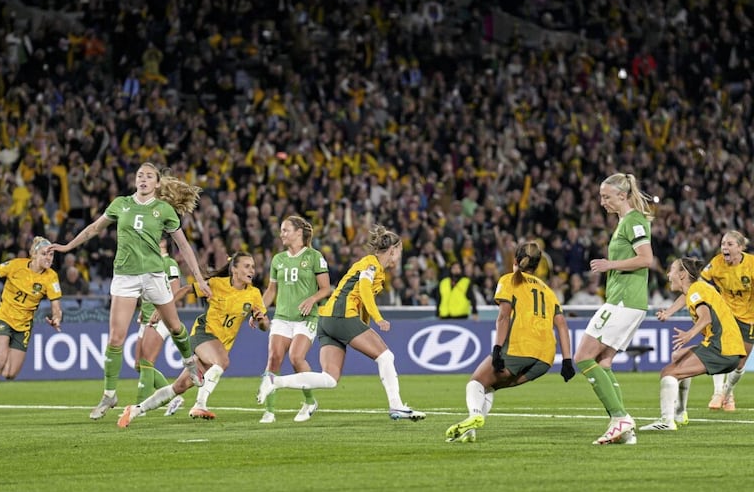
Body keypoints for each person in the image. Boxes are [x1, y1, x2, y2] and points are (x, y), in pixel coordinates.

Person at [48, 162, 211, 420]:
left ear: (157, 184)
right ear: (135, 181)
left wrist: (199, 279)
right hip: (125, 276)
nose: (143, 179)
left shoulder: (164, 210)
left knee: (176, 327)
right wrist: (68, 247)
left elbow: (184, 247)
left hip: (154, 276)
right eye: (139, 175)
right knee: (115, 338)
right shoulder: (120, 204)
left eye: (149, 176)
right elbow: (94, 228)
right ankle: (109, 394)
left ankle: (190, 364)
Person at [256, 225, 426, 421]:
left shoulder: (372, 266)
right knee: (386, 357)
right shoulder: (372, 265)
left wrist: (363, 323)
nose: (399, 256)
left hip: (327, 320)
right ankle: (396, 406)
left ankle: (274, 381)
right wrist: (378, 318)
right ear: (393, 249)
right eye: (400, 251)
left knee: (329, 378)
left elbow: (359, 297)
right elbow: (362, 288)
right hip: (341, 315)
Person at [117, 252, 269, 427]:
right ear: (234, 269)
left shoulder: (254, 294)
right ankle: (199, 405)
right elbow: (185, 289)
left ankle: (135, 410)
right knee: (222, 361)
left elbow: (265, 326)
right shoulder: (216, 284)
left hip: (220, 345)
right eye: (247, 266)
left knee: (179, 387)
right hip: (203, 334)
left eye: (253, 266)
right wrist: (163, 309)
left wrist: (261, 320)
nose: (252, 270)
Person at [445, 242, 575, 443]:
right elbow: (562, 325)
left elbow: (504, 317)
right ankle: (469, 432)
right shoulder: (548, 291)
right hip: (545, 359)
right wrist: (567, 361)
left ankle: (474, 416)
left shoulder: (509, 280)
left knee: (476, 382)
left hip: (520, 347)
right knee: (490, 386)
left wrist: (497, 349)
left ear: (515, 260)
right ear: (538, 265)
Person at [574, 173, 654, 445]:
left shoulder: (634, 221)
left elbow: (646, 258)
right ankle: (624, 430)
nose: (601, 201)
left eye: (606, 196)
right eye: (600, 196)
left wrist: (610, 265)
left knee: (583, 357)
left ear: (622, 196)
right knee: (602, 361)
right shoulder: (625, 222)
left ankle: (620, 418)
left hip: (624, 301)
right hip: (626, 301)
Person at [0, 237, 63, 420]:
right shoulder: (16, 265)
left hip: (23, 327)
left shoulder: (51, 277)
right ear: (34, 254)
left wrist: (56, 318)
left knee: (9, 373)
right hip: (3, 319)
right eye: (45, 253)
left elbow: (56, 306)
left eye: (52, 254)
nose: (49, 257)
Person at [641, 257, 746, 431]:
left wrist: (689, 334)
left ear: (682, 274)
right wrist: (668, 313)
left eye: (672, 270)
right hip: (728, 347)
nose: (668, 275)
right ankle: (680, 413)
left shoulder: (697, 290)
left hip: (721, 348)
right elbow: (686, 297)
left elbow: (705, 318)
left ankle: (666, 422)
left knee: (668, 372)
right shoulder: (697, 289)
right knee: (677, 356)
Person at [657, 230, 754, 413]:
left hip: (749, 319)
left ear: (741, 248)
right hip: (726, 315)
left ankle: (727, 392)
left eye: (730, 244)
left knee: (740, 363)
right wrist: (669, 311)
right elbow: (692, 289)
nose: (724, 247)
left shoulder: (751, 264)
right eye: (723, 243)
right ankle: (718, 393)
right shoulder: (717, 264)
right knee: (718, 348)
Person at [256, 215, 332, 424]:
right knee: (273, 359)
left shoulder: (315, 257)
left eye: (285, 230)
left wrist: (312, 299)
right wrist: (260, 311)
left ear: (299, 232)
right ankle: (269, 411)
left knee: (296, 358)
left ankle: (309, 402)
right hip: (282, 317)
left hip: (305, 318)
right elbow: (271, 290)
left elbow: (326, 288)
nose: (282, 234)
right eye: (281, 230)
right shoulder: (278, 260)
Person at [133, 239, 185, 415]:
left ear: (162, 241)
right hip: (146, 316)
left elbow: (175, 290)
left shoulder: (169, 263)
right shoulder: (150, 261)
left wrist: (160, 310)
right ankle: (175, 397)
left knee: (147, 362)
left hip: (161, 317)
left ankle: (140, 407)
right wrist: (142, 309)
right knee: (138, 364)